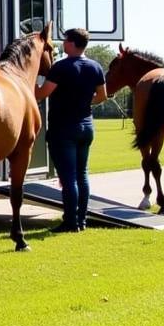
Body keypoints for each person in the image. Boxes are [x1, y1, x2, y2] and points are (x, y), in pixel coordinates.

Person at [35, 27, 107, 232]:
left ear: (73, 43)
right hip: (86, 127)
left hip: (63, 129)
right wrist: (84, 102)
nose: (63, 44)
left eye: (65, 41)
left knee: (68, 177)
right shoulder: (95, 67)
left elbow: (42, 93)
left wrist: (27, 83)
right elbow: (102, 96)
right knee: (82, 175)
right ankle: (82, 220)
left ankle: (70, 222)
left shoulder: (61, 67)